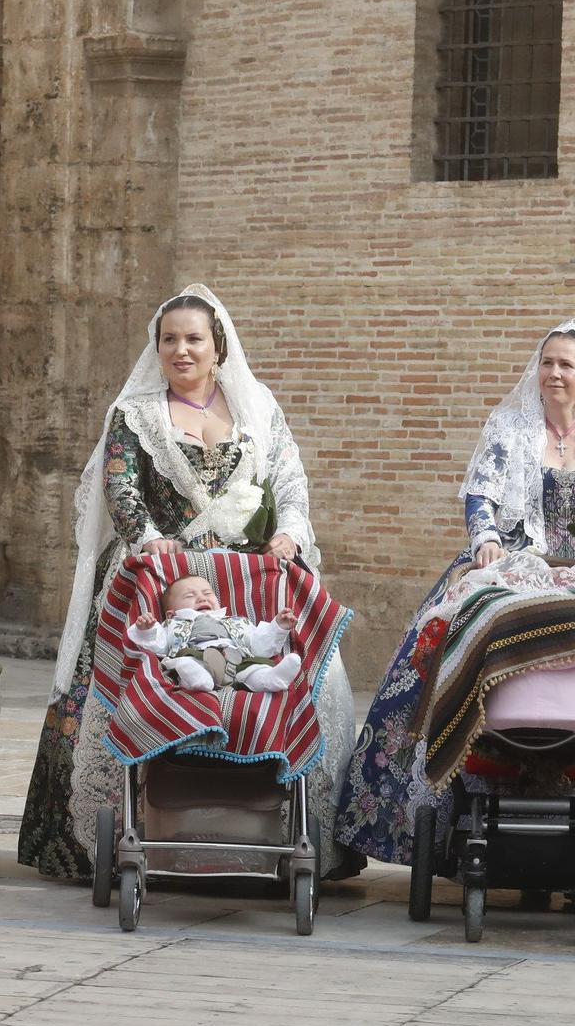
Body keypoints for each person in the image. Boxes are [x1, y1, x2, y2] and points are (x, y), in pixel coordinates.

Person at [332, 321, 575, 878]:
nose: (554, 373)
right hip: (512, 563)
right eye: (547, 362)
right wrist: (484, 541)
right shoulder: (508, 427)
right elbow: (480, 495)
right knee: (450, 637)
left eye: (566, 365)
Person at [19, 283, 355, 880]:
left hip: (246, 579)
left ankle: (285, 824)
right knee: (133, 667)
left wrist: (290, 533)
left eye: (194, 338)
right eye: (169, 339)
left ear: (217, 347)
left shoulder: (257, 409)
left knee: (312, 676)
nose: (181, 350)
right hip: (162, 574)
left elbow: (290, 484)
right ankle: (128, 822)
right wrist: (151, 541)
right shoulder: (134, 416)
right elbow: (121, 491)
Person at [127, 572, 303, 693]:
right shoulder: (173, 623)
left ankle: (272, 679)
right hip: (197, 655)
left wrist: (278, 627)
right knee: (187, 662)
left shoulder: (237, 621)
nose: (202, 598)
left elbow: (260, 645)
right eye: (189, 596)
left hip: (238, 660)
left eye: (207, 593)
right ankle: (197, 680)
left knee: (255, 668)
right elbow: (159, 644)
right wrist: (147, 630)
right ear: (171, 613)